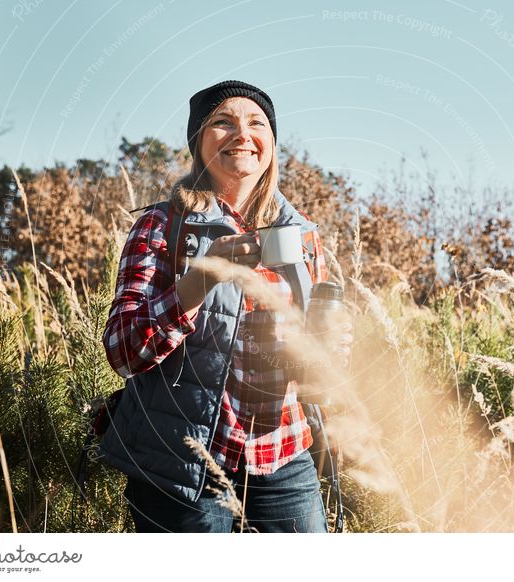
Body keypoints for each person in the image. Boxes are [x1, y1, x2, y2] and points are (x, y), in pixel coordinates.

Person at [98, 80, 352, 533]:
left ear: (271, 144)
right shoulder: (162, 227)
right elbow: (123, 352)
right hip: (183, 461)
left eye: (257, 123)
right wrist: (198, 281)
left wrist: (331, 347)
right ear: (198, 142)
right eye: (222, 122)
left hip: (284, 454)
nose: (242, 133)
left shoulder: (302, 236)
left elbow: (318, 366)